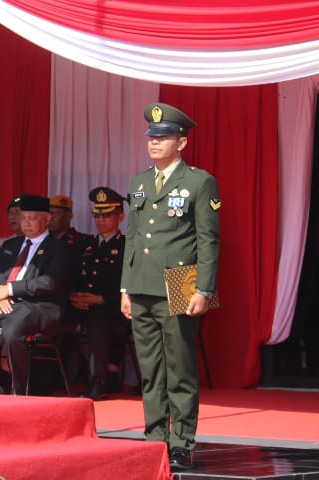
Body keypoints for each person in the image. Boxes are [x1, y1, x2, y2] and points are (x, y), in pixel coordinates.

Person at [120, 103, 220, 470]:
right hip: (141, 283)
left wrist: (203, 290)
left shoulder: (198, 182)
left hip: (180, 282)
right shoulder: (140, 182)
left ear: (182, 142)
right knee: (150, 369)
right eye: (152, 137)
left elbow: (208, 240)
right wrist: (125, 288)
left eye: (163, 137)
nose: (155, 142)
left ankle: (181, 442)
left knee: (180, 368)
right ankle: (155, 437)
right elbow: (133, 237)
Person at [0, 195, 69, 395]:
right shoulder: (10, 246)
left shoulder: (59, 247)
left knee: (12, 329)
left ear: (47, 219)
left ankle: (19, 390)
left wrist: (9, 290)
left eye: (32, 218)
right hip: (2, 303)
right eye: (23, 218)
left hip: (36, 306)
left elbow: (48, 282)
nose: (26, 223)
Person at [71, 187, 127, 400]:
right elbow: (71, 277)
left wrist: (101, 299)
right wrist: (72, 297)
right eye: (97, 215)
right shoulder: (84, 246)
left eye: (107, 215)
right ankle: (51, 378)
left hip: (112, 307)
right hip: (81, 305)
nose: (101, 220)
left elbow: (128, 284)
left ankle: (98, 382)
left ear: (120, 216)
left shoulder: (127, 246)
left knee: (97, 319)